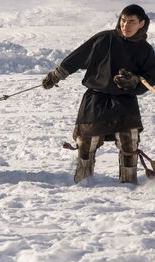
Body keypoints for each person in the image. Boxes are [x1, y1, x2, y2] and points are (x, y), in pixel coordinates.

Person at [42, 4, 155, 184]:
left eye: (131, 22)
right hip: (96, 99)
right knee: (86, 145)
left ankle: (129, 185)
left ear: (141, 23)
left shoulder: (146, 50)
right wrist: (56, 75)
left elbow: (149, 79)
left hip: (125, 103)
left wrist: (134, 81)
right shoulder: (104, 39)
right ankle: (83, 182)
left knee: (129, 145)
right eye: (123, 21)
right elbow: (77, 57)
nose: (125, 26)